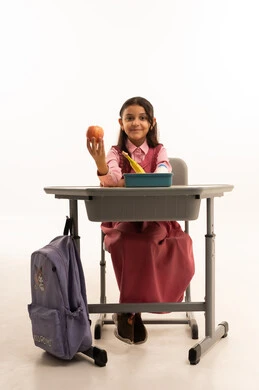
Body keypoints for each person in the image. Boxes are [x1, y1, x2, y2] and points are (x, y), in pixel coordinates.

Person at [86, 96, 195, 345]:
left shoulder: (159, 151)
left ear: (152, 122)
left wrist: (138, 179)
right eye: (130, 118)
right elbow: (112, 178)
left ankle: (130, 308)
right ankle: (131, 310)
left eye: (142, 118)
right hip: (122, 221)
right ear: (121, 123)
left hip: (157, 222)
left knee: (153, 241)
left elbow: (164, 171)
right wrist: (101, 163)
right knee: (128, 241)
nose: (136, 123)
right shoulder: (114, 152)